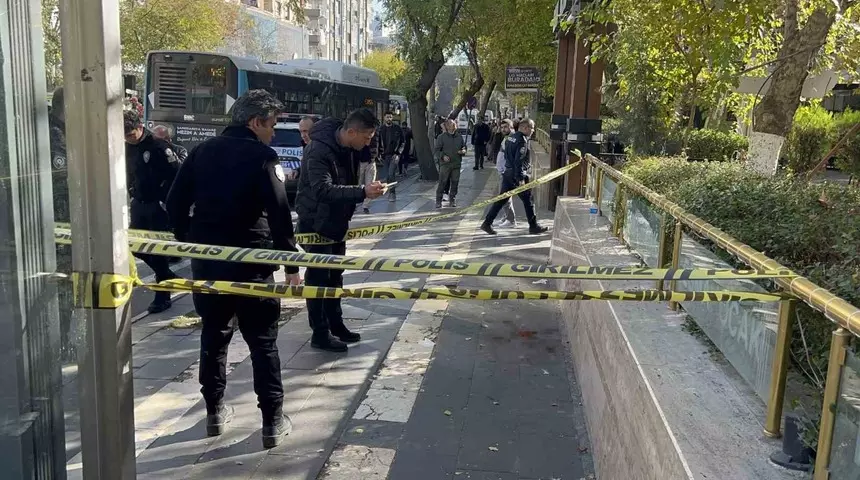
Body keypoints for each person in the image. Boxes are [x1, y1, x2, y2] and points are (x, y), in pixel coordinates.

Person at [166, 89, 301, 449]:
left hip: (207, 261)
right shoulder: (264, 157)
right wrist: (291, 265)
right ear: (255, 122)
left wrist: (185, 238)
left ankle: (213, 412)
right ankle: (272, 420)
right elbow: (278, 213)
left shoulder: (201, 151)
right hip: (252, 263)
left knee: (213, 336)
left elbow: (174, 201)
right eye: (271, 124)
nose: (273, 132)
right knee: (263, 343)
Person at [295, 109, 386, 352]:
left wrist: (367, 188)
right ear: (351, 131)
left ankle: (336, 324)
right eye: (366, 137)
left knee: (335, 276)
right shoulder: (318, 150)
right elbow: (322, 190)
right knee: (318, 279)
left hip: (336, 221)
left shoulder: (349, 148)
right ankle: (320, 332)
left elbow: (349, 181)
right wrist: (362, 192)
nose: (368, 143)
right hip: (315, 223)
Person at [123, 109, 180, 313]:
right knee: (133, 246)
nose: (128, 139)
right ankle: (166, 273)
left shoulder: (157, 146)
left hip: (157, 205)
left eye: (131, 134)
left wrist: (166, 199)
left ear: (140, 127)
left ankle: (162, 295)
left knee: (157, 249)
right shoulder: (127, 147)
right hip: (139, 203)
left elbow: (176, 175)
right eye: (125, 136)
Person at [480, 118, 548, 235]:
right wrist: (520, 178)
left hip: (508, 173)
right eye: (532, 128)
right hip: (516, 176)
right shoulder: (522, 141)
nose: (533, 131)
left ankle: (487, 223)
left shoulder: (511, 138)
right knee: (528, 201)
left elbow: (507, 155)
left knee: (502, 200)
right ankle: (533, 226)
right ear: (525, 128)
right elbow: (519, 162)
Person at [434, 118, 466, 208]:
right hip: (445, 164)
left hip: (456, 164)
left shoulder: (459, 137)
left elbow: (464, 147)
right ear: (446, 126)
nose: (450, 126)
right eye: (448, 124)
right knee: (442, 182)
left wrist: (463, 151)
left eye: (452, 124)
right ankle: (438, 200)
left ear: (454, 125)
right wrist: (442, 156)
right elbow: (436, 150)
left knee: (455, 182)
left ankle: (452, 199)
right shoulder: (441, 137)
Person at [492, 120, 517, 227]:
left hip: (507, 172)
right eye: (501, 127)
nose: (503, 129)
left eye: (505, 127)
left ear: (511, 127)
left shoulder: (512, 138)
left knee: (504, 196)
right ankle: (507, 217)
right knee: (505, 196)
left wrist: (506, 170)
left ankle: (511, 220)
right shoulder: (507, 138)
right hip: (503, 171)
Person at [377, 111, 404, 202]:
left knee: (391, 173)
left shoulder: (397, 128)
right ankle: (391, 192)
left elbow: (403, 142)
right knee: (387, 175)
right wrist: (379, 154)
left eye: (390, 117)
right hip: (385, 156)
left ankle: (392, 193)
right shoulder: (381, 129)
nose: (389, 119)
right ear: (384, 118)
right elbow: (378, 142)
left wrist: (398, 153)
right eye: (387, 117)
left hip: (394, 155)